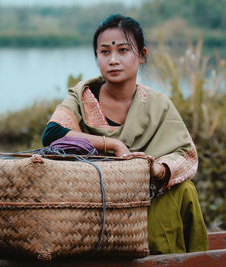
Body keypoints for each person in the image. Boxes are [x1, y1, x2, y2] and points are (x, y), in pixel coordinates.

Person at [42, 14, 208, 254]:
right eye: (105, 52)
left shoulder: (157, 105)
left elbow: (185, 154)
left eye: (122, 50)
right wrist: (113, 145)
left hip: (146, 197)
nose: (113, 60)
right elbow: (52, 134)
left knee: (185, 191)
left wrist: (158, 169)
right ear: (96, 57)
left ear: (141, 55)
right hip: (92, 201)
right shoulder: (84, 96)